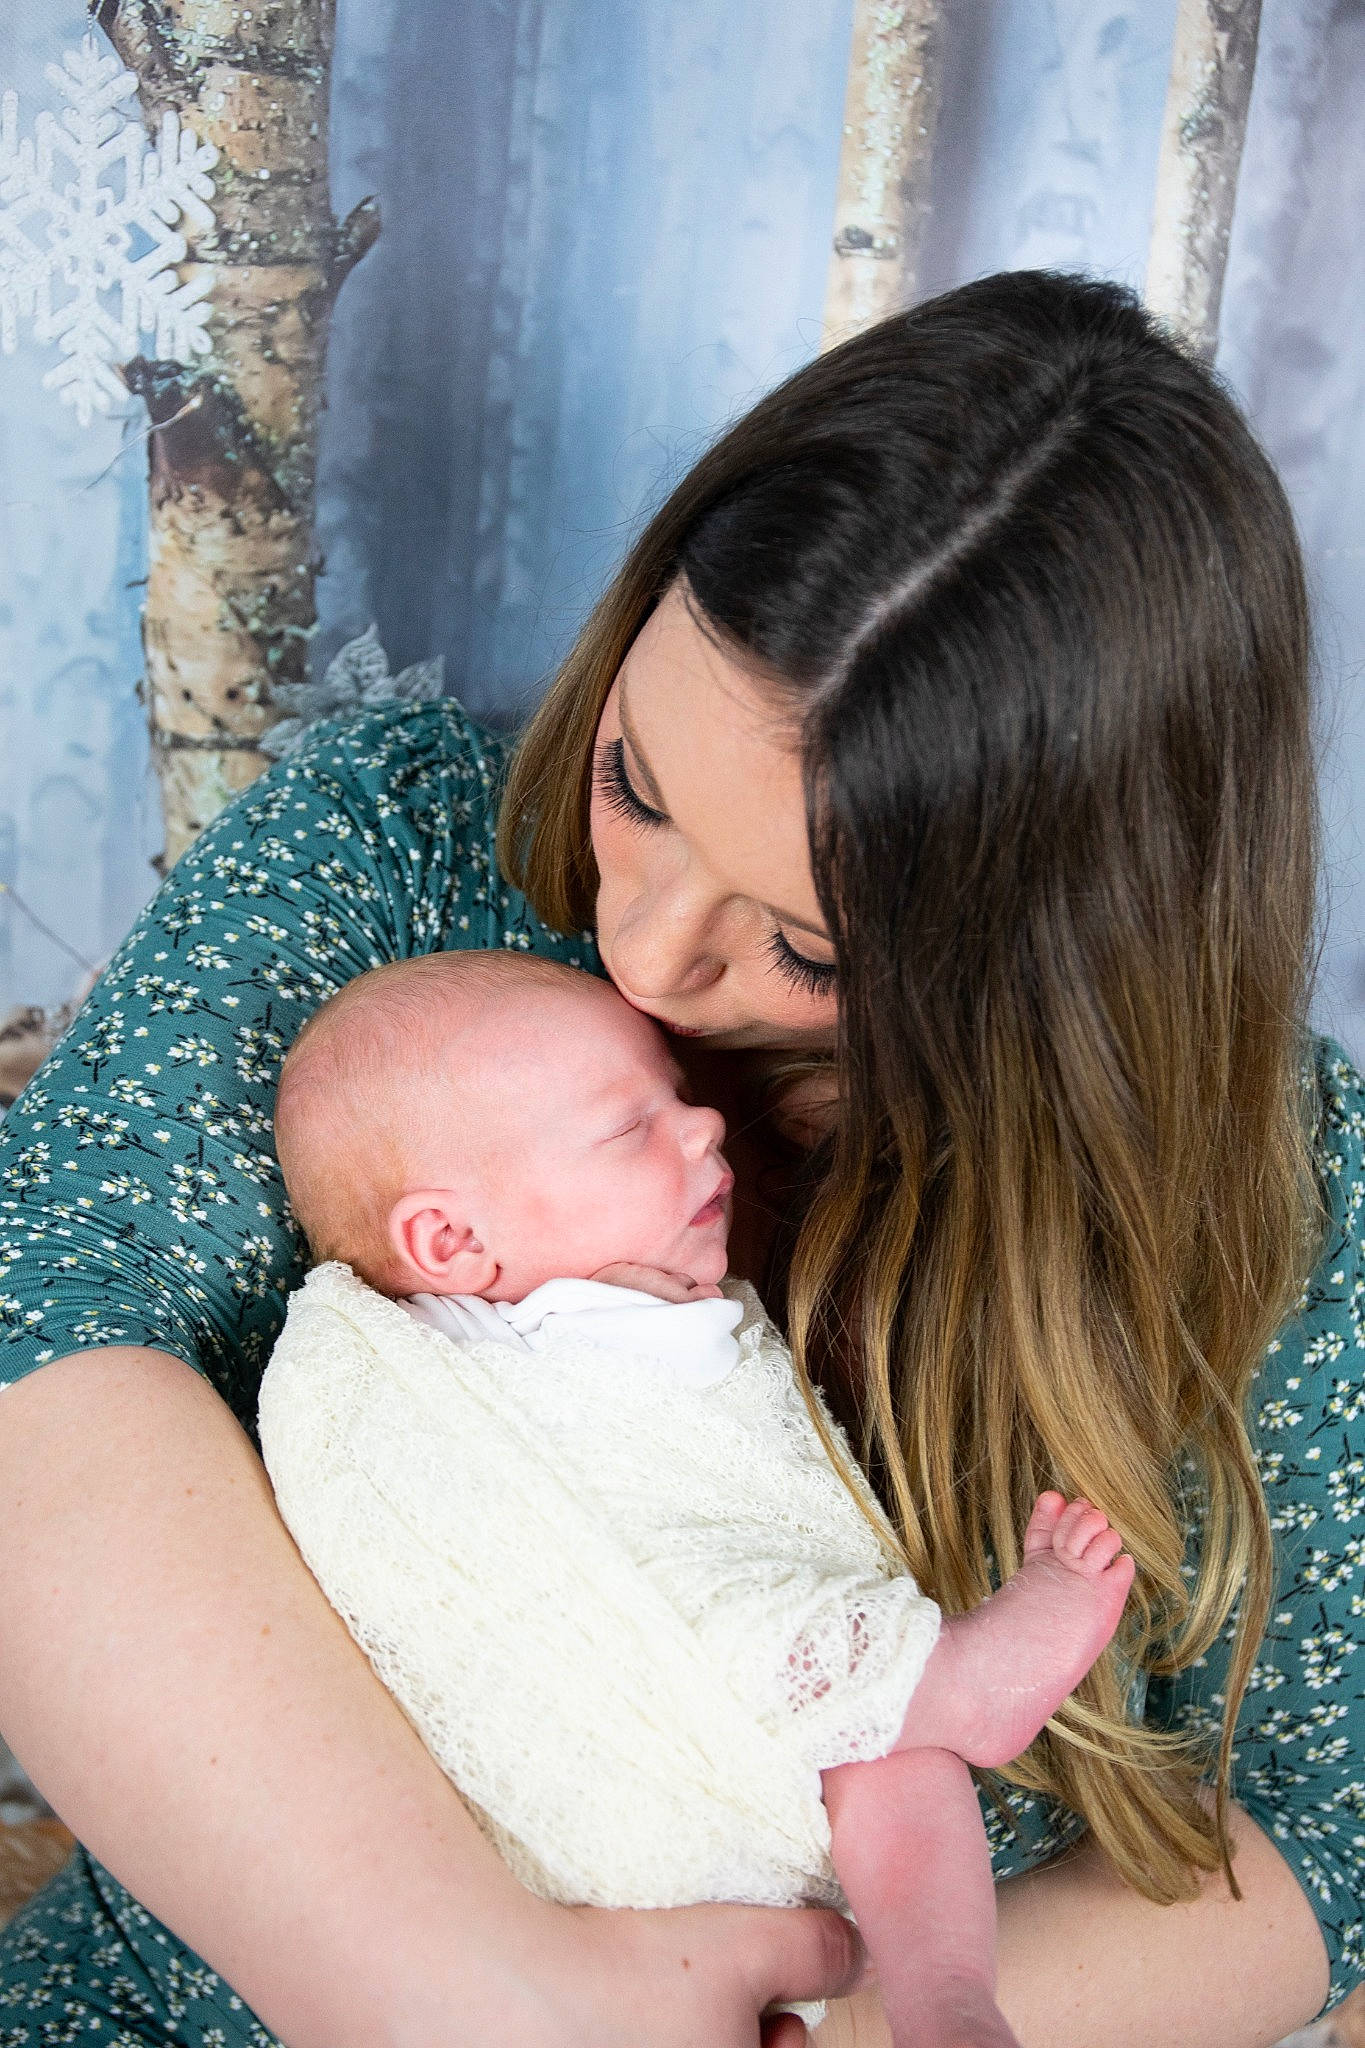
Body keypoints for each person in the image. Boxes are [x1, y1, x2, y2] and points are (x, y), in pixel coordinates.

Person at [0, 269, 1357, 2048]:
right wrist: (451, 1984)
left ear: (1064, 967)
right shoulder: (405, 854)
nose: (635, 958)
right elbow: (44, 1325)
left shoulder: (1291, 1209)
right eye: (637, 781)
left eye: (803, 947)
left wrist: (815, 2024)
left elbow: (1319, 1839)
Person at [258, 949, 1135, 2048]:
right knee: (865, 1719)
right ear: (452, 1242)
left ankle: (944, 1990)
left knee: (885, 1762)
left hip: (751, 1738)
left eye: (678, 1096)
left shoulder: (688, 1307)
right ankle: (949, 1678)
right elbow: (437, 1548)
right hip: (613, 1730)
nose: (704, 1127)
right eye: (631, 1128)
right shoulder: (413, 1370)